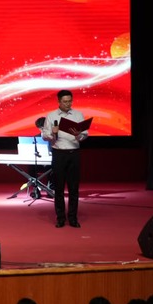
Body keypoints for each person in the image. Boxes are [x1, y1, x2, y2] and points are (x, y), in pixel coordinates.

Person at [42, 89, 88, 228]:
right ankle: (60, 218)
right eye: (65, 101)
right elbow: (44, 136)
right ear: (59, 101)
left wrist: (79, 135)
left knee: (74, 188)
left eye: (70, 101)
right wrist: (52, 133)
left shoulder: (78, 114)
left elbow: (85, 134)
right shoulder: (51, 116)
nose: (68, 104)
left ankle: (73, 218)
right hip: (59, 154)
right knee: (59, 187)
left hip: (74, 153)